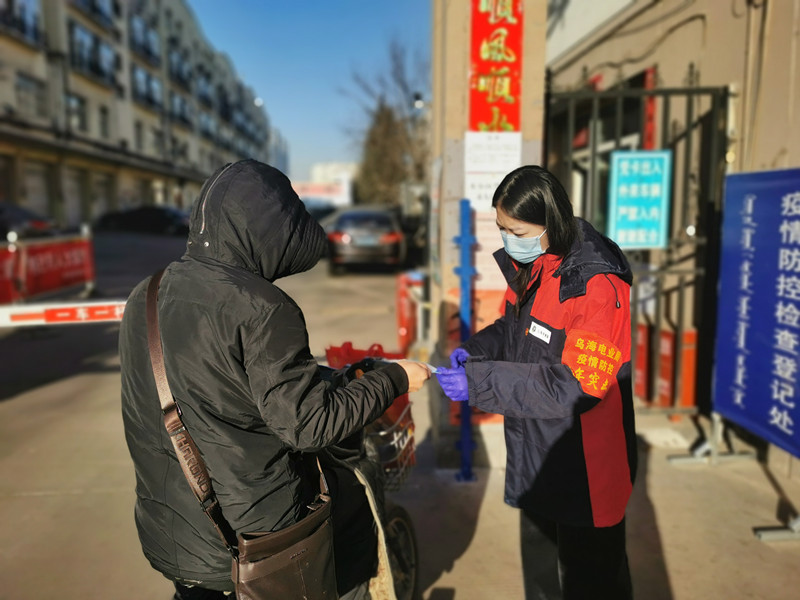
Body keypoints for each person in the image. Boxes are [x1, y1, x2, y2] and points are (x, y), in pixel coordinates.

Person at [119, 159, 431, 600]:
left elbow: (213, 381)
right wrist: (395, 378)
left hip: (173, 530)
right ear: (267, 230)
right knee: (352, 533)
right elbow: (309, 427)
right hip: (253, 543)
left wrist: (327, 378)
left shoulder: (147, 294)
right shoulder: (262, 307)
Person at [436, 165, 636, 600]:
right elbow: (511, 328)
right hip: (535, 453)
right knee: (541, 572)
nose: (509, 239)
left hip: (585, 466)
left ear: (551, 222)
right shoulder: (534, 266)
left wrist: (481, 382)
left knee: (593, 582)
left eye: (518, 231)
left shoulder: (596, 286)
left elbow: (577, 386)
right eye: (502, 228)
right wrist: (475, 350)